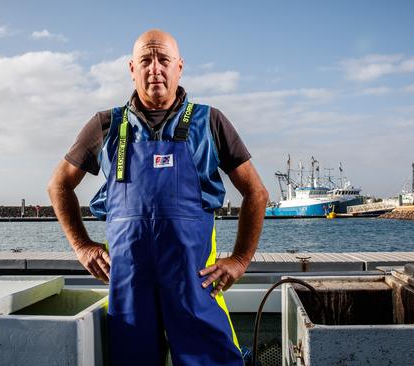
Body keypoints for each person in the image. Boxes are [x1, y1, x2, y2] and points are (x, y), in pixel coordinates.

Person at [48, 29, 268, 366]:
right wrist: (82, 247)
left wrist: (239, 260)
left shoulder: (211, 122)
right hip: (129, 294)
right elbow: (59, 185)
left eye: (163, 59)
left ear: (179, 67)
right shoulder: (106, 125)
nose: (155, 69)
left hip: (195, 289)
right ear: (131, 68)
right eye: (145, 60)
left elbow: (256, 192)